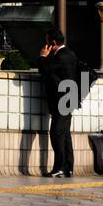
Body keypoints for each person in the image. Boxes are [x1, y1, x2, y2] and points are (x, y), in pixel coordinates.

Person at [38, 28, 81, 178]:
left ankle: (59, 167)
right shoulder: (68, 54)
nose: (45, 44)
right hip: (68, 98)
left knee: (56, 133)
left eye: (47, 41)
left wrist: (43, 57)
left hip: (63, 99)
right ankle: (68, 167)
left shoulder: (61, 57)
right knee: (64, 134)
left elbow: (46, 72)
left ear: (53, 43)